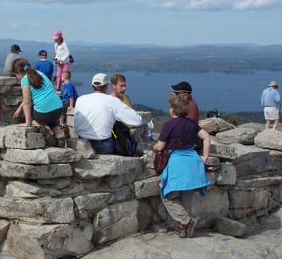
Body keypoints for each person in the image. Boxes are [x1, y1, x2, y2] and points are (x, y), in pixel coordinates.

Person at [153, 94, 211, 238]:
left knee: (168, 195)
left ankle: (187, 221)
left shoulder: (169, 125)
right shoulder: (192, 124)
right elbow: (206, 137)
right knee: (186, 197)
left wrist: (152, 146)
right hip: (193, 162)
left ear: (173, 110)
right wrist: (204, 157)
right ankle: (184, 230)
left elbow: (160, 146)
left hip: (177, 162)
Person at [74, 73, 143, 154]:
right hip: (102, 145)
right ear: (107, 86)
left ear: (92, 86)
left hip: (81, 142)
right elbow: (137, 120)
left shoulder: (80, 99)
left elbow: (76, 123)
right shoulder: (111, 101)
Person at [12, 58, 65, 140]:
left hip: (44, 113)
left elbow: (27, 103)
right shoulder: (39, 73)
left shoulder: (24, 80)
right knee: (49, 112)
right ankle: (59, 133)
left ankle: (41, 129)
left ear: (18, 72)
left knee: (30, 111)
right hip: (58, 109)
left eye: (15, 74)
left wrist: (27, 123)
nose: (16, 77)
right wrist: (20, 107)